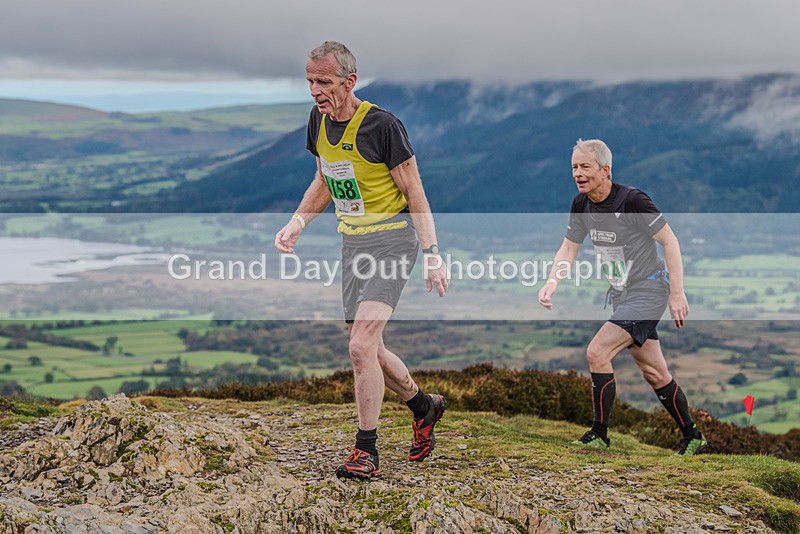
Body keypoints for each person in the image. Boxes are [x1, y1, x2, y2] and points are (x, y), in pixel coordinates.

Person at [275, 41, 449, 479]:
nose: (315, 90)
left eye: (324, 82)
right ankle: (423, 406)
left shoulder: (382, 126)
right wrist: (298, 222)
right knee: (371, 347)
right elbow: (324, 179)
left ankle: (366, 451)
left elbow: (414, 190)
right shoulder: (317, 120)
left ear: (350, 81)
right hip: (353, 245)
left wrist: (432, 254)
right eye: (310, 81)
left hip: (393, 242)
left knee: (358, 347)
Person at [538, 138, 707, 456]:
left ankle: (599, 435)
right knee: (654, 372)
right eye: (574, 167)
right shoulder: (581, 204)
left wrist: (677, 293)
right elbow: (569, 247)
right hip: (622, 294)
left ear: (605, 170)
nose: (577, 173)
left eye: (585, 166)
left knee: (597, 351)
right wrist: (552, 282)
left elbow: (670, 241)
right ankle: (693, 436)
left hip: (649, 291)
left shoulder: (632, 200)